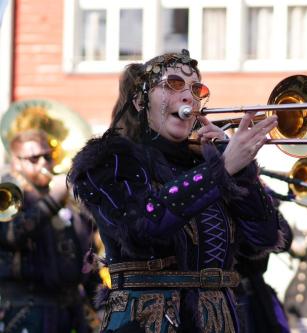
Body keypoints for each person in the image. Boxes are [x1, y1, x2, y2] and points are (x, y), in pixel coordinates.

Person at [68, 49, 282, 333]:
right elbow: (141, 226)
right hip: (145, 322)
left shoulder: (206, 162)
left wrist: (240, 170)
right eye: (173, 84)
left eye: (196, 89)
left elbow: (264, 237)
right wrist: (220, 170)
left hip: (219, 322)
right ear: (139, 100)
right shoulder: (110, 159)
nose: (188, 97)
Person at [0, 130, 96, 332]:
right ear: (15, 161)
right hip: (27, 310)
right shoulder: (8, 190)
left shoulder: (60, 196)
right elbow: (11, 235)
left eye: (48, 156)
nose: (43, 163)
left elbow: (88, 250)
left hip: (71, 309)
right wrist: (53, 200)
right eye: (34, 158)